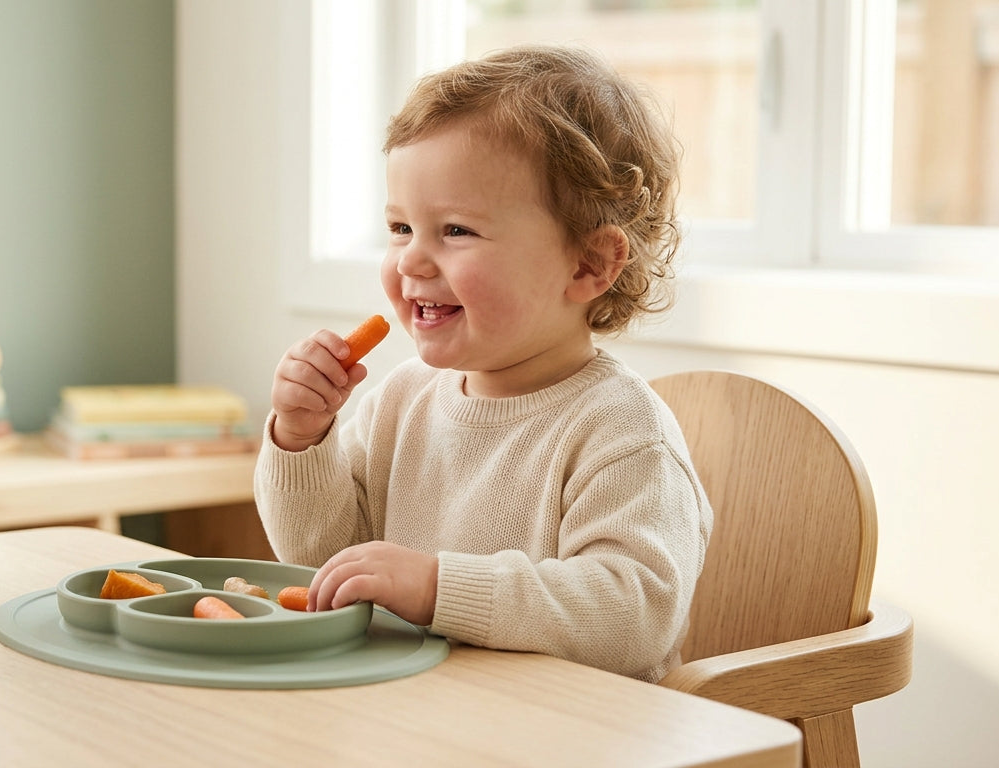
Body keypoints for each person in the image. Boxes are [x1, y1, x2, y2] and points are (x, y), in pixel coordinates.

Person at [255, 44, 712, 683]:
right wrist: (303, 441)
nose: (411, 261)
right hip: (428, 722)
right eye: (400, 228)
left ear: (588, 264)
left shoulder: (621, 432)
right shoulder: (402, 399)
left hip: (573, 738)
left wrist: (440, 587)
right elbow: (328, 562)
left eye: (456, 231)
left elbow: (634, 618)